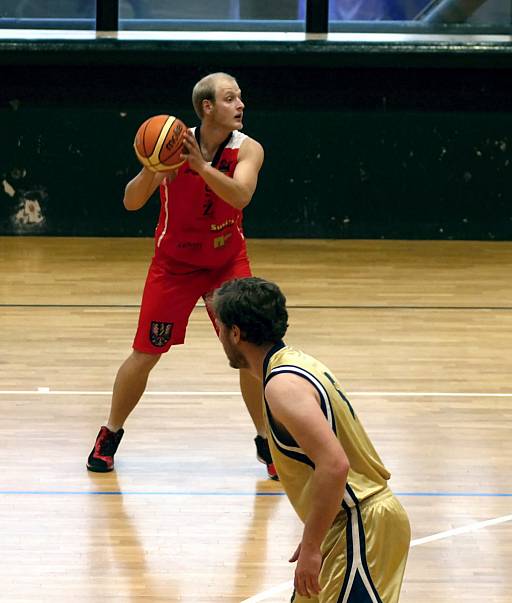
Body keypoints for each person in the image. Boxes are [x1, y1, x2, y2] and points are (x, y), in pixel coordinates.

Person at [86, 72, 277, 479]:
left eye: (240, 96)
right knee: (146, 353)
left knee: (251, 355)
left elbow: (240, 195)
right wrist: (151, 168)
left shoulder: (249, 149)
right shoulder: (170, 145)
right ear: (207, 107)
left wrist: (200, 166)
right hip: (174, 266)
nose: (241, 104)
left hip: (226, 264)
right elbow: (131, 202)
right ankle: (110, 434)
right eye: (230, 98)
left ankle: (267, 441)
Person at [212, 276, 411, 601]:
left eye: (220, 327)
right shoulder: (294, 363)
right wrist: (314, 532)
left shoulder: (282, 386)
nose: (219, 335)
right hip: (342, 523)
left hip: (361, 523)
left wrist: (312, 545)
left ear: (236, 333)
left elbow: (334, 464)